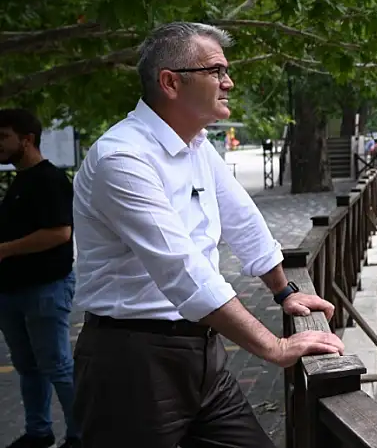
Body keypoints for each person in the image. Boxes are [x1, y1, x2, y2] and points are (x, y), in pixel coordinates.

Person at [71, 22, 345, 448]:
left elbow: (242, 219)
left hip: (203, 354)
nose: (228, 82)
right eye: (216, 71)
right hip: (131, 362)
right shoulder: (121, 157)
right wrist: (273, 347)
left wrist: (283, 290)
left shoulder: (197, 145)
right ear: (170, 82)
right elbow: (184, 270)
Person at [0, 109, 81, 448]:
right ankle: (38, 432)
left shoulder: (49, 179)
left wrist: (4, 250)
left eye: (2, 137)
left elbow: (60, 233)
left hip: (46, 288)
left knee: (58, 366)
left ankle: (82, 435)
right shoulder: (19, 179)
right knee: (28, 367)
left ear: (27, 139)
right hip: (12, 291)